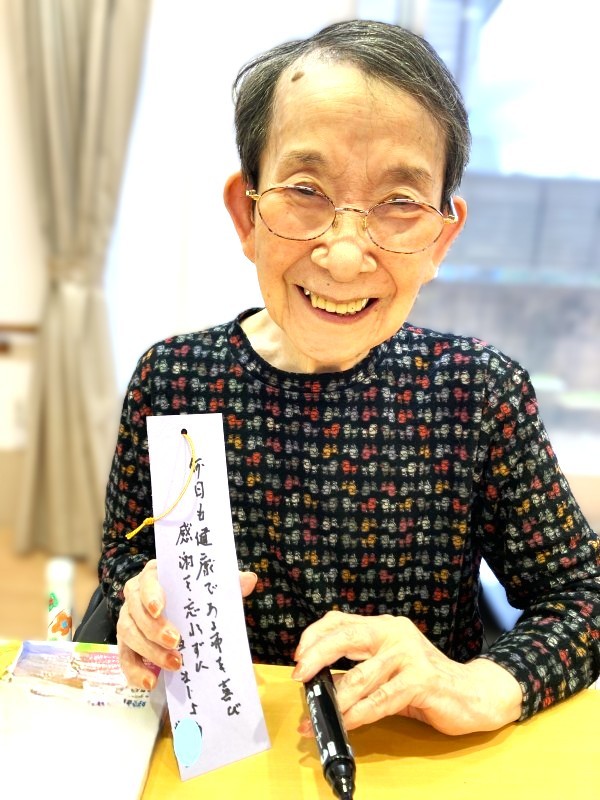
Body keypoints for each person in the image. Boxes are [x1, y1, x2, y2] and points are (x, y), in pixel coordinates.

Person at [99, 18, 600, 737]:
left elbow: (582, 595)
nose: (342, 255)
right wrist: (139, 601)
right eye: (306, 189)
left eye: (399, 203)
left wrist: (480, 685)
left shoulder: (477, 393)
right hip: (220, 752)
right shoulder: (174, 380)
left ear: (441, 238)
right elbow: (127, 554)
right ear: (247, 214)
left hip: (418, 758)